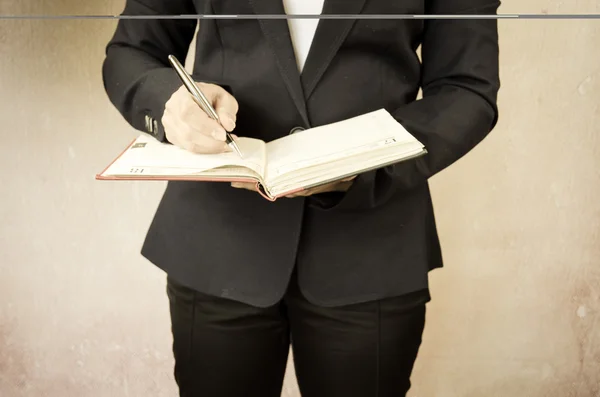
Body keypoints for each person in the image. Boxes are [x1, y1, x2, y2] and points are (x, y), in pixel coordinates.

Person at [102, 0, 500, 395]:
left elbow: (466, 89)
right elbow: (130, 51)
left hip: (372, 248)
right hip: (218, 243)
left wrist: (364, 165)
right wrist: (171, 103)